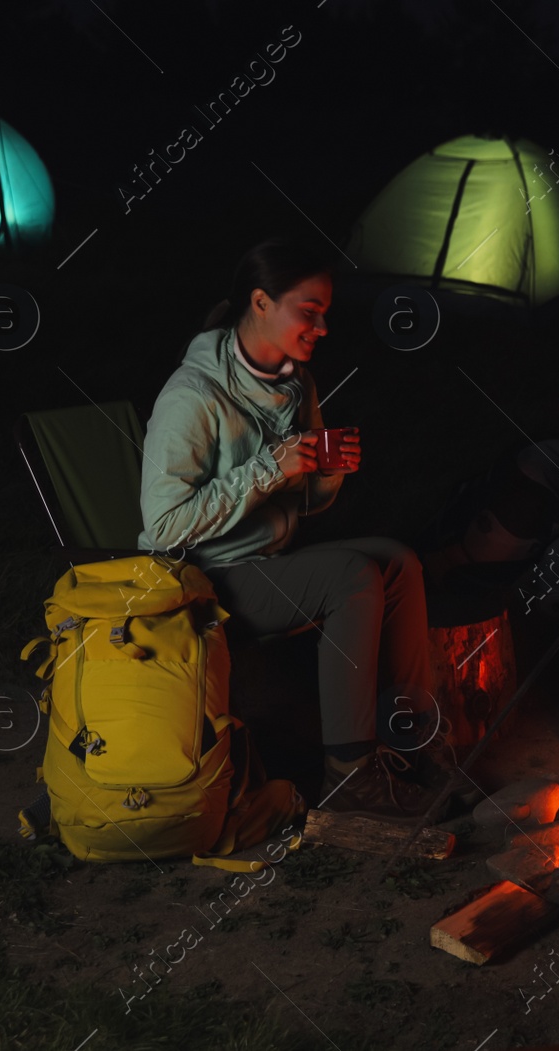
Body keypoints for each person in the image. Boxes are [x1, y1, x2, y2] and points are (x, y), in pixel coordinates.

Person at [137, 238, 442, 822]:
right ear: (259, 302)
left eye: (325, 312)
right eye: (309, 311)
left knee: (399, 561)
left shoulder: (294, 382)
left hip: (268, 560)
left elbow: (304, 503)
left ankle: (410, 747)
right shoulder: (191, 396)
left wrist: (326, 475)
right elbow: (165, 527)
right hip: (204, 580)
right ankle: (349, 775)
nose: (322, 326)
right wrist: (272, 467)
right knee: (352, 576)